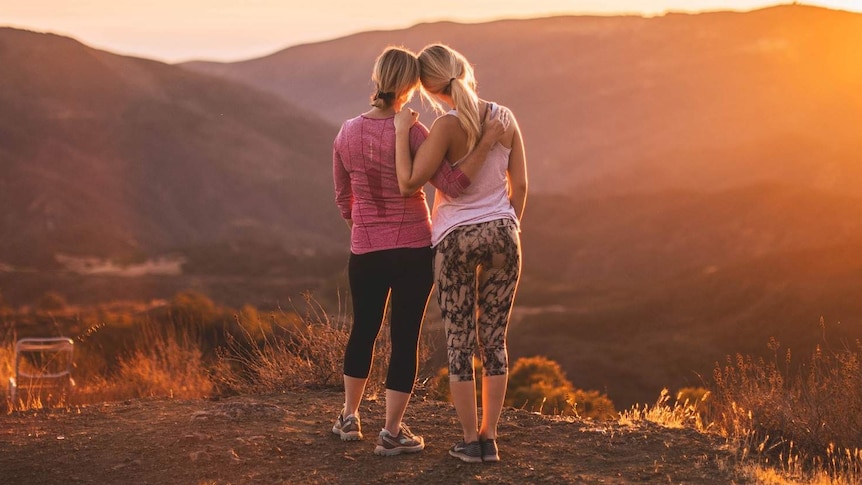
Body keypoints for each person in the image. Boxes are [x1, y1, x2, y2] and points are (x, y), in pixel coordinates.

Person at [331, 46, 506, 457]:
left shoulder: (346, 132)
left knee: (363, 329)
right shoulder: (414, 133)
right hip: (413, 249)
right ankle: (391, 432)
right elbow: (452, 184)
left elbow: (343, 195)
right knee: (404, 336)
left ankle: (349, 417)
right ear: (411, 87)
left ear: (377, 80)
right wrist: (485, 145)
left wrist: (361, 225)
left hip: (366, 249)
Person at [394, 43, 527, 464]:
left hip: (455, 240)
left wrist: (401, 133)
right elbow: (520, 187)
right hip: (505, 234)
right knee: (495, 338)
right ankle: (491, 437)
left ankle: (471, 440)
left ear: (431, 91)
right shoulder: (504, 118)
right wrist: (508, 226)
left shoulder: (446, 129)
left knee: (460, 341)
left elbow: (418, 181)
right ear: (465, 69)